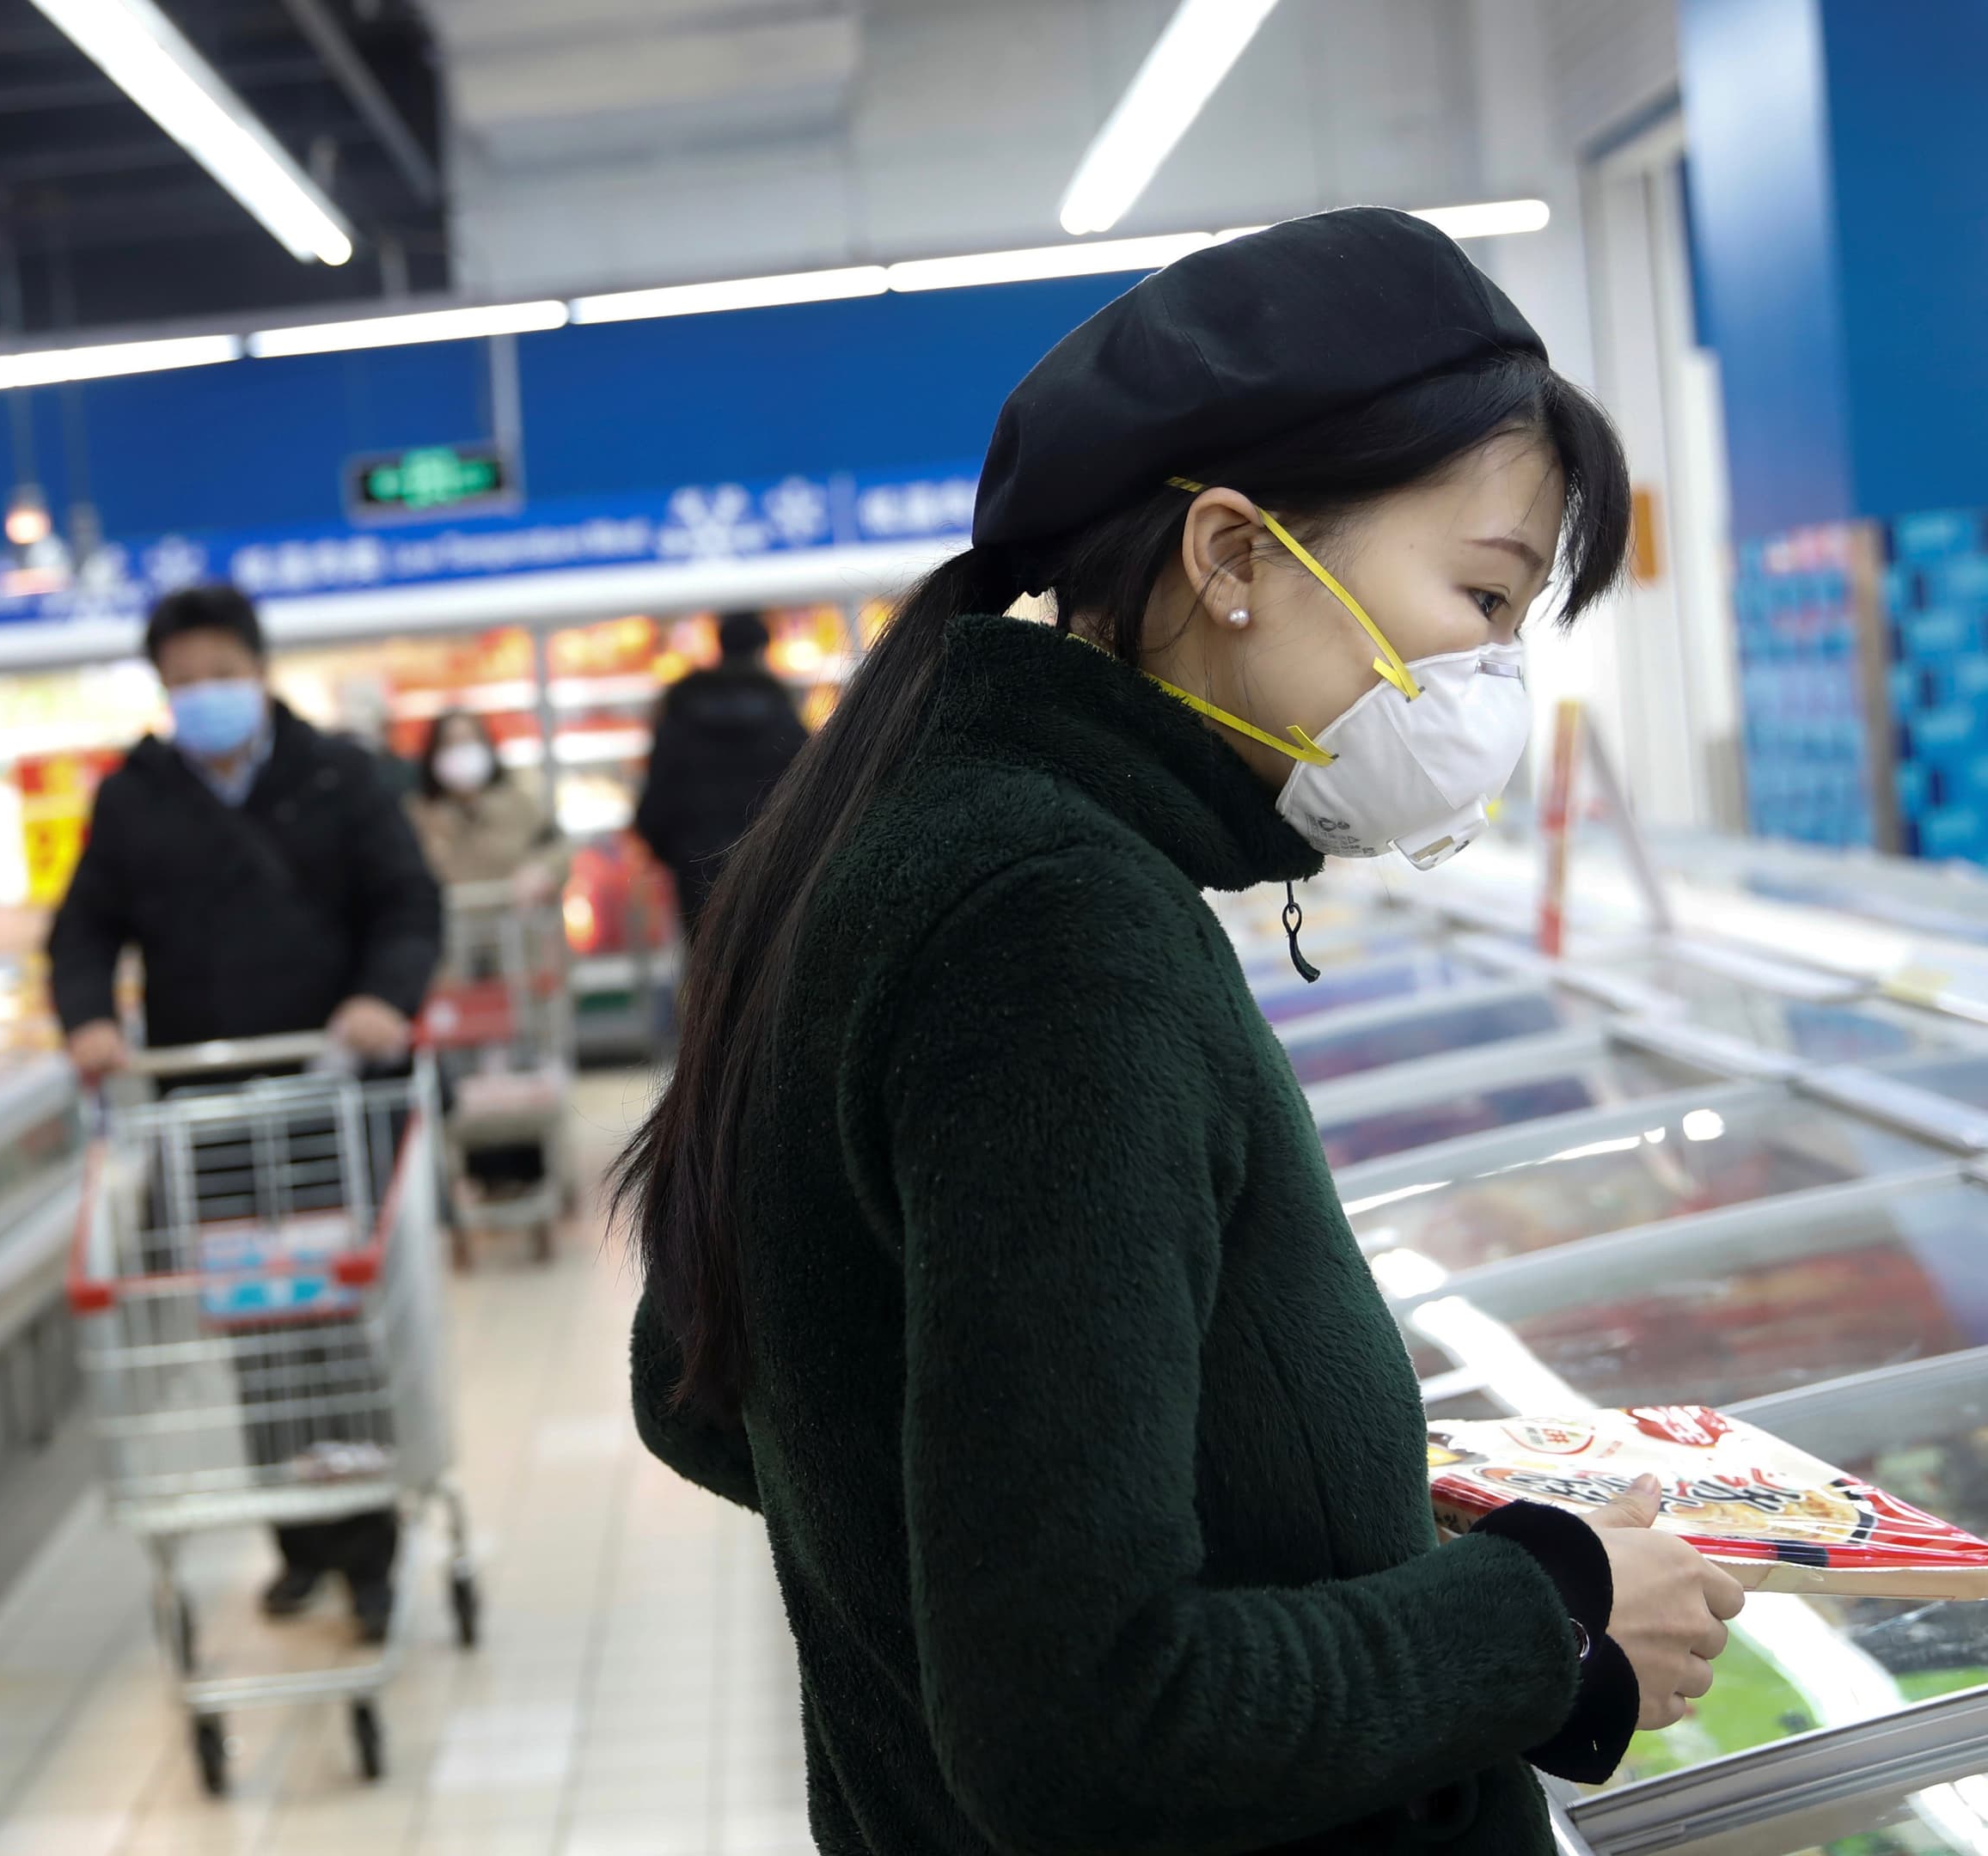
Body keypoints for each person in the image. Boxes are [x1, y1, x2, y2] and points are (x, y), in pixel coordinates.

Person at [619, 208, 1743, 1855]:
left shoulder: (913, 824)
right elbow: (1087, 1724)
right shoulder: (1051, 926)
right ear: (1228, 557)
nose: (1496, 676)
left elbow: (705, 1387)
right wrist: (1551, 1623)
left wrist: (1291, 1503)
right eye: (1483, 595)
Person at [48, 582, 442, 1640]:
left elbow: (408, 903)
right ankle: (297, 1539)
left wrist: (380, 1000)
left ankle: (364, 1545)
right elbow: (82, 933)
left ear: (259, 671)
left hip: (327, 1101)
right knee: (254, 1325)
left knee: (329, 1318)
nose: (203, 696)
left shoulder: (338, 778)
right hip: (205, 1112)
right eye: (183, 683)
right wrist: (87, 1020)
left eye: (220, 674)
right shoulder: (134, 800)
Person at [629, 608, 808, 927]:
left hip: (697, 871)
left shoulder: (682, 711)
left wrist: (681, 855)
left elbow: (655, 805)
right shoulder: (781, 715)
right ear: (762, 649)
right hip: (770, 867)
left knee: (710, 968)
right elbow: (810, 793)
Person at [407, 711, 564, 890]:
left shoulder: (518, 805)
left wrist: (544, 869)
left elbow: (558, 846)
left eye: (468, 741)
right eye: (450, 743)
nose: (461, 753)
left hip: (514, 915)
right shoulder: (418, 815)